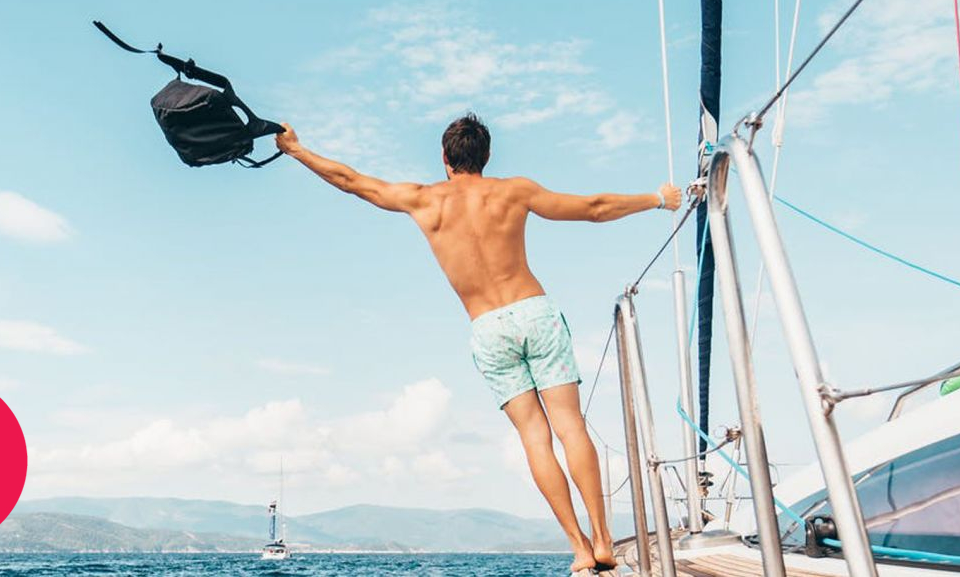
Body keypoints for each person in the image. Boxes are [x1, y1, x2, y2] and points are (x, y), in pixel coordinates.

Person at [275, 114, 682, 574]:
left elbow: (351, 181)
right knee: (570, 425)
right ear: (486, 156)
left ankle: (581, 548)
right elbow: (594, 207)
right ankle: (604, 539)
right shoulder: (514, 192)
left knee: (534, 437)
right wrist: (656, 199)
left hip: (488, 327)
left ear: (445, 158)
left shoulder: (423, 200)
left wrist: (297, 149)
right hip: (534, 312)